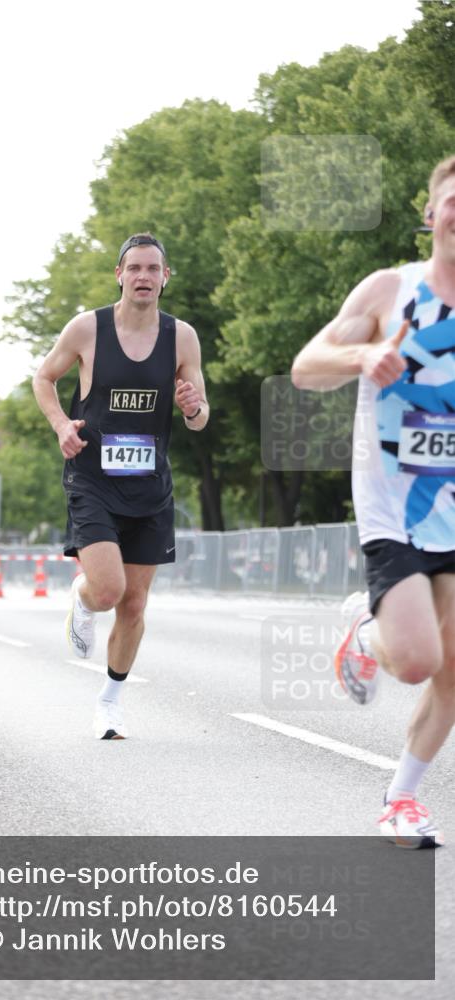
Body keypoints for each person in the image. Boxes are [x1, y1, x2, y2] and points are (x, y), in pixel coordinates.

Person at [291, 154, 455, 848]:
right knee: (416, 661)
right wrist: (360, 357)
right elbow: (306, 368)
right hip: (394, 507)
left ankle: (400, 799)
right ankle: (366, 629)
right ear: (431, 213)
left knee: (453, 669)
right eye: (454, 200)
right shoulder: (391, 290)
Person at [33, 233, 209, 739]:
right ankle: (84, 597)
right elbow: (43, 378)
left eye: (153, 269)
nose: (143, 277)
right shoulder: (88, 328)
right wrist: (62, 425)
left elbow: (200, 417)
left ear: (165, 277)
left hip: (149, 486)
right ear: (119, 275)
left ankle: (109, 702)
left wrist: (193, 407)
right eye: (134, 268)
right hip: (92, 479)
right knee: (109, 591)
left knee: (134, 604)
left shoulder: (182, 338)